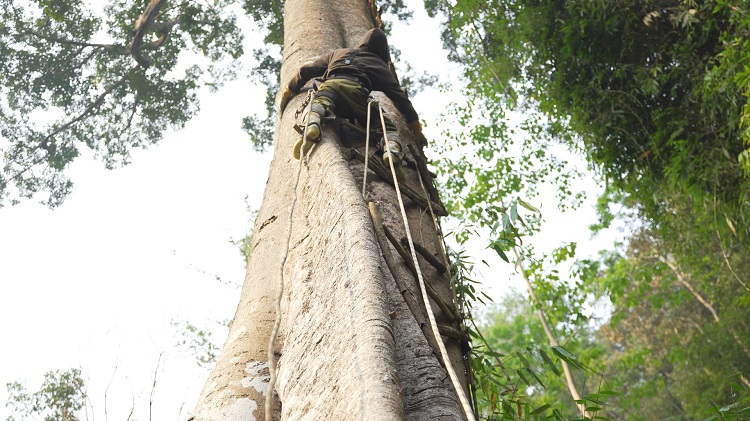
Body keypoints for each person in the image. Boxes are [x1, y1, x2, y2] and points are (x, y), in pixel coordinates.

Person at [279, 28, 426, 173]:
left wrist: (289, 90)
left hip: (331, 85)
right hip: (357, 92)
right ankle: (391, 149)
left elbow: (306, 70)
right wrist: (416, 128)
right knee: (386, 128)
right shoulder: (378, 64)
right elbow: (400, 98)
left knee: (320, 102)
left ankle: (313, 120)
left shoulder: (339, 53)